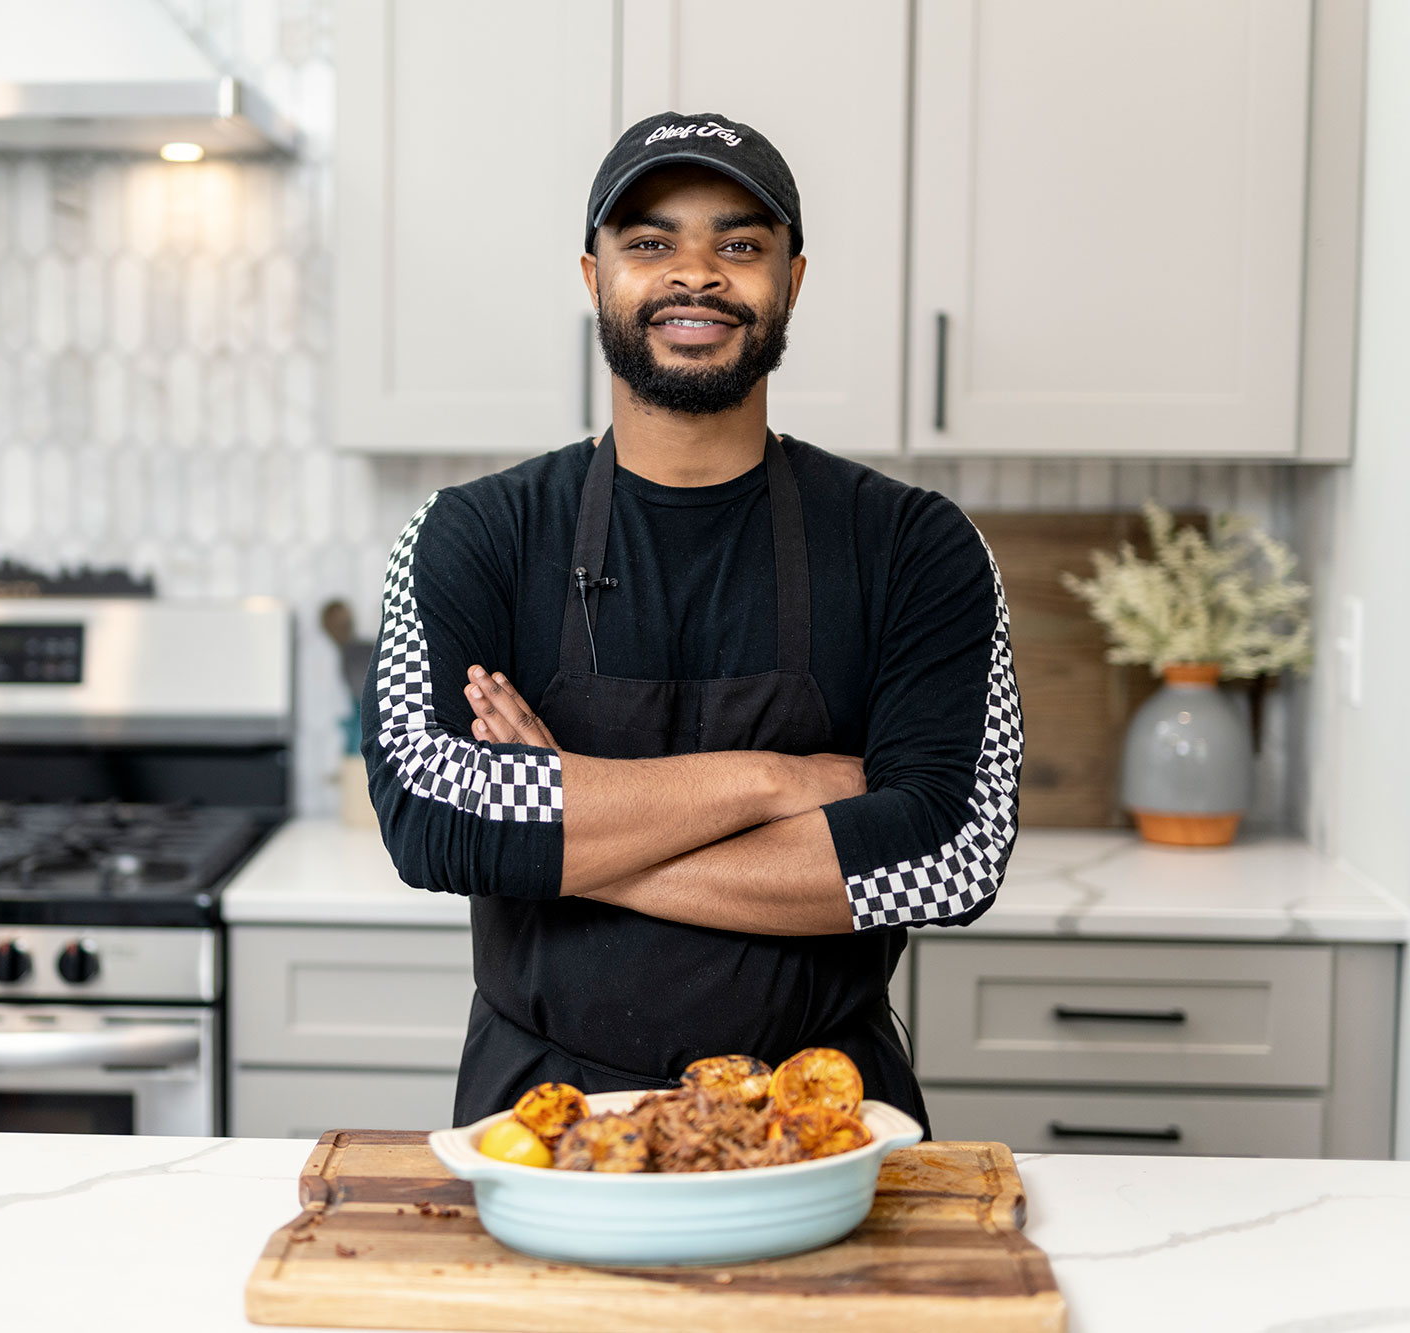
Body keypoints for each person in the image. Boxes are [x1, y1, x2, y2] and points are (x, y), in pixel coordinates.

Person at [360, 111, 1022, 1133]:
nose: (696, 273)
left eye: (740, 244)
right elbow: (432, 816)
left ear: (791, 280)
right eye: (649, 241)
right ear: (593, 277)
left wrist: (565, 832)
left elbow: (949, 851)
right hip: (547, 1116)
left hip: (826, 1117)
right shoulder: (469, 535)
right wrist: (779, 780)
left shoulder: (916, 545)